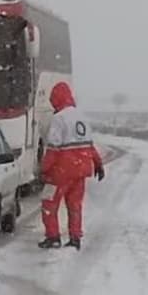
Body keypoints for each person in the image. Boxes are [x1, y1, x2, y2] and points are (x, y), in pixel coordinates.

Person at [38, 81, 105, 250]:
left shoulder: (59, 119)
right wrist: (98, 163)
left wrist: (43, 169)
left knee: (49, 205)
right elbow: (89, 145)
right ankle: (75, 237)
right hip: (80, 171)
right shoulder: (81, 117)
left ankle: (53, 237)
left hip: (60, 172)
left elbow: (53, 148)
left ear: (57, 99)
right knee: (75, 206)